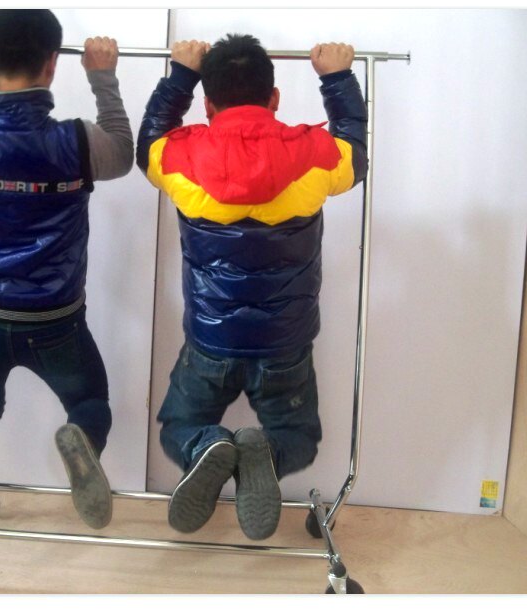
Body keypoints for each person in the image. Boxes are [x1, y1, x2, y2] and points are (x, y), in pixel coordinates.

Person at [136, 34, 367, 540]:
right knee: (298, 439)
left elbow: (148, 144)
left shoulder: (179, 156)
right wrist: (337, 79)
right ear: (274, 98)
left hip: (210, 344)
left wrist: (180, 76)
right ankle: (264, 452)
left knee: (178, 430)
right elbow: (356, 155)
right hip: (285, 345)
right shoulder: (316, 154)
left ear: (208, 104)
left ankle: (207, 446)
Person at [0, 9, 133, 530]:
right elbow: (124, 153)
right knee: (89, 400)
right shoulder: (77, 141)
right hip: (53, 321)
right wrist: (103, 77)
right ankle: (81, 437)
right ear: (52, 64)